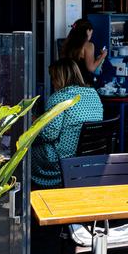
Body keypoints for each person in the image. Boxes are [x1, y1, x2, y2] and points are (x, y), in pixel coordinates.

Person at [31, 59, 103, 188]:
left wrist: (34, 124)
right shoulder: (93, 93)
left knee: (24, 151)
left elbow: (49, 134)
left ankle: (26, 197)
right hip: (89, 157)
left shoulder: (60, 97)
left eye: (53, 78)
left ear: (59, 78)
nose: (52, 82)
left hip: (62, 159)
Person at [61, 19, 107, 87]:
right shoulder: (88, 45)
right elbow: (91, 68)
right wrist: (103, 55)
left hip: (67, 82)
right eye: (91, 33)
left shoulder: (67, 44)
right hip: (83, 83)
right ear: (88, 31)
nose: (91, 36)